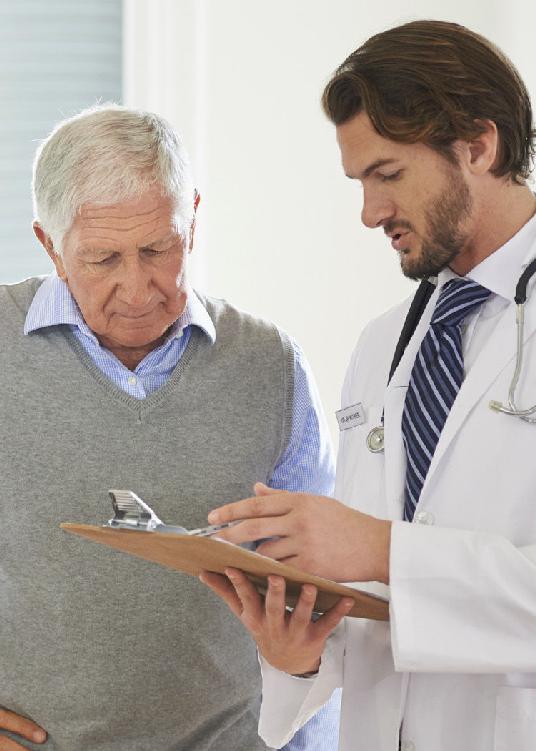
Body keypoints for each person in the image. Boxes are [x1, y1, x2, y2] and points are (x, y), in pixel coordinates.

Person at [200, 19, 536, 751]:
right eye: (360, 183)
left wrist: (381, 548)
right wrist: (298, 653)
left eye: (388, 175)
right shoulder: (385, 342)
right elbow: (381, 613)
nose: (369, 213)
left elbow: (390, 559)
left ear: (479, 146)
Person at [0, 105, 341, 750]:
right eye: (102, 259)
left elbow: (323, 592)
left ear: (194, 220)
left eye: (159, 248)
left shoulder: (270, 365)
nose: (137, 288)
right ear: (50, 245)